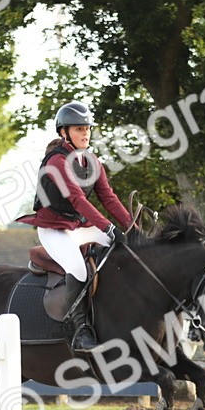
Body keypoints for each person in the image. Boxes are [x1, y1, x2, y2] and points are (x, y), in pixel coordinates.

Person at [17, 101, 132, 352]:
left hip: (79, 227)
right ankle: (80, 331)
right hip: (54, 230)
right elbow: (78, 200)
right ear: (64, 132)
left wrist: (130, 226)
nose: (85, 133)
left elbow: (109, 198)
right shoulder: (56, 162)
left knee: (124, 252)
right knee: (79, 270)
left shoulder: (92, 162)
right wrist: (108, 228)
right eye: (79, 129)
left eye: (87, 128)